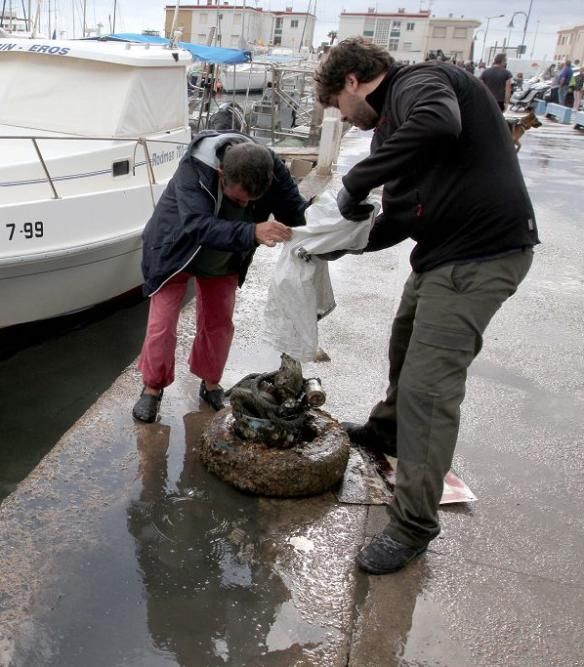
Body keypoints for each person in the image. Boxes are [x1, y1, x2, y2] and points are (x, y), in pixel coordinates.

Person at [314, 38, 539, 574]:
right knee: (404, 342)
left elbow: (440, 123)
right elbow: (395, 220)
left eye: (338, 109)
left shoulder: (420, 83)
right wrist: (330, 241)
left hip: (483, 256)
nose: (344, 120)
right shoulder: (392, 130)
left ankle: (414, 525)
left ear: (352, 82)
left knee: (428, 389)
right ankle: (388, 431)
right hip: (442, 257)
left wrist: (353, 181)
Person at [131, 131, 308, 423]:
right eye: (238, 199)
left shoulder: (270, 168)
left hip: (225, 257)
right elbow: (196, 225)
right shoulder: (194, 169)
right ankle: (152, 388)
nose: (243, 206)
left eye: (251, 201)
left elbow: (296, 211)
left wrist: (331, 228)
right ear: (222, 173)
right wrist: (252, 231)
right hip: (175, 251)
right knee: (162, 325)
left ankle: (210, 382)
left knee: (220, 322)